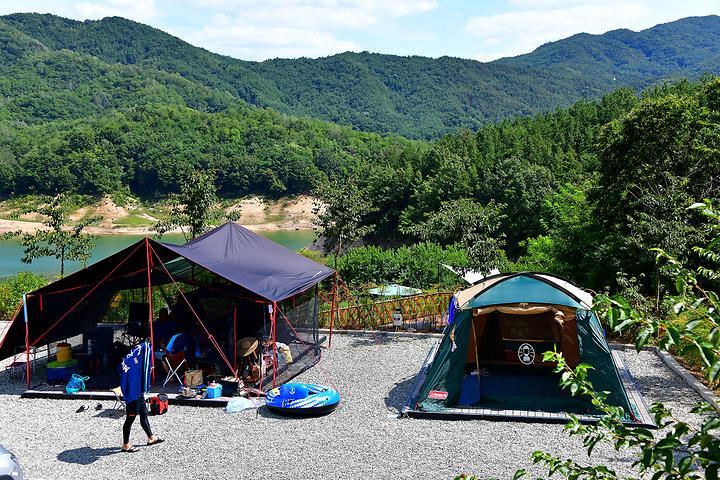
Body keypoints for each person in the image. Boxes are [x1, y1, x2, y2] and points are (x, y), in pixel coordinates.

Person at [120, 340, 164, 453]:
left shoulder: (138, 357)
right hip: (132, 395)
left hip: (138, 392)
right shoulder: (130, 361)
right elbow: (126, 379)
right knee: (130, 419)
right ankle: (126, 444)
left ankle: (151, 437)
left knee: (144, 414)